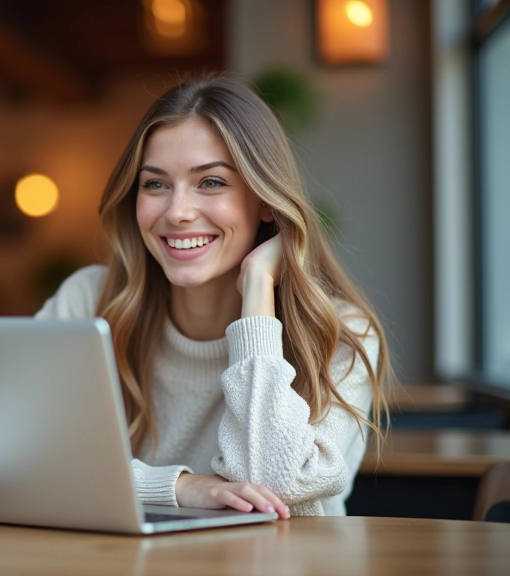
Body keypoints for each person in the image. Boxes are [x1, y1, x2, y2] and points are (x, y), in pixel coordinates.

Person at [36, 75, 391, 517]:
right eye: (156, 184)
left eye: (210, 183)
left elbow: (270, 485)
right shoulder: (88, 302)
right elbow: (21, 455)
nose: (177, 212)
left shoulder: (341, 334)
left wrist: (259, 290)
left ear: (265, 200)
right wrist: (180, 487)